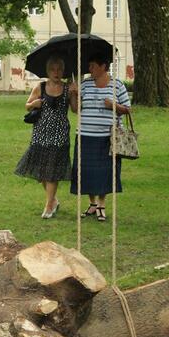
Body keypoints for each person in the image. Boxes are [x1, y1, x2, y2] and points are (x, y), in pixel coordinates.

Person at [69, 53, 131, 222]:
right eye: (89, 66)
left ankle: (102, 205)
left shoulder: (117, 85)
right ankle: (92, 204)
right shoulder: (85, 84)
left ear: (104, 66)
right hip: (85, 136)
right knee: (86, 171)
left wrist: (113, 105)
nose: (89, 69)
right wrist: (73, 94)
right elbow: (75, 110)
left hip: (107, 138)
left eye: (93, 66)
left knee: (105, 172)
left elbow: (128, 109)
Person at [15, 56, 75, 218]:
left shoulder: (68, 88)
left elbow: (76, 110)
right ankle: (53, 200)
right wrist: (34, 104)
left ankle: (49, 206)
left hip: (60, 133)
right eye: (53, 70)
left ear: (63, 71)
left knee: (52, 169)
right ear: (48, 71)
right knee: (41, 169)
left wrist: (75, 94)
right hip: (40, 132)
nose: (56, 73)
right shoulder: (40, 87)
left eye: (59, 70)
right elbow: (27, 106)